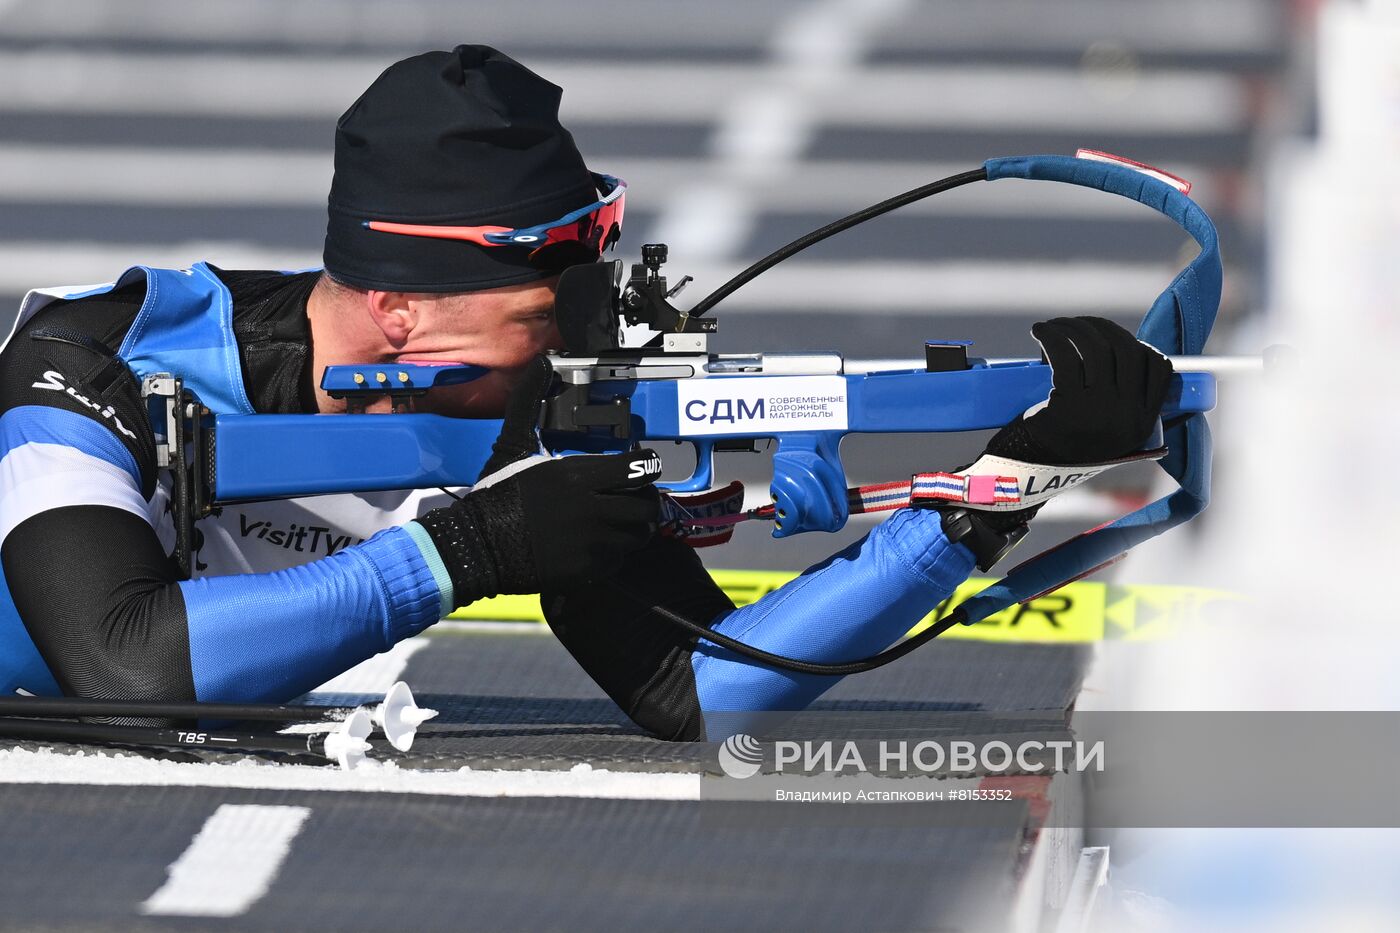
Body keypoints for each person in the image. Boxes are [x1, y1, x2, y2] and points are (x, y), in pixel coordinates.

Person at [0, 46, 1170, 741]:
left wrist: (994, 492)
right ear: (402, 308)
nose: (567, 339)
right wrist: (463, 553)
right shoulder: (96, 358)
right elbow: (125, 671)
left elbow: (699, 689)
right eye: (536, 309)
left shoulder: (521, 403)